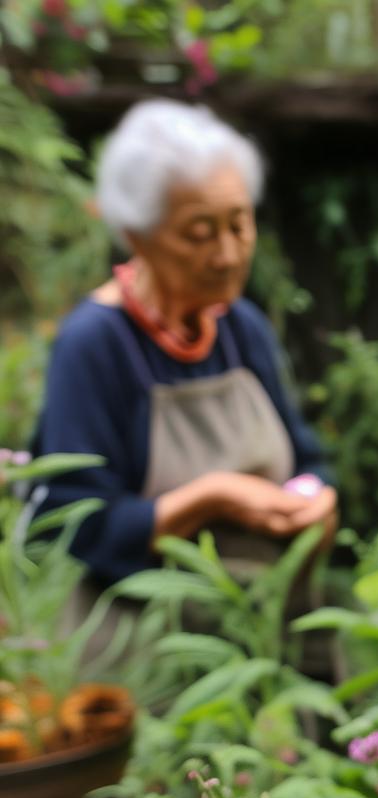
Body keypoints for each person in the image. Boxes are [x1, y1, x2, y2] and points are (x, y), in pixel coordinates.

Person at [32, 99, 337, 587]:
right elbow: (76, 527)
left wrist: (318, 496)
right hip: (137, 644)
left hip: (264, 625)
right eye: (199, 233)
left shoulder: (244, 328)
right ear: (138, 237)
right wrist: (212, 497)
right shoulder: (93, 345)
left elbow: (307, 458)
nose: (228, 253)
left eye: (239, 223)